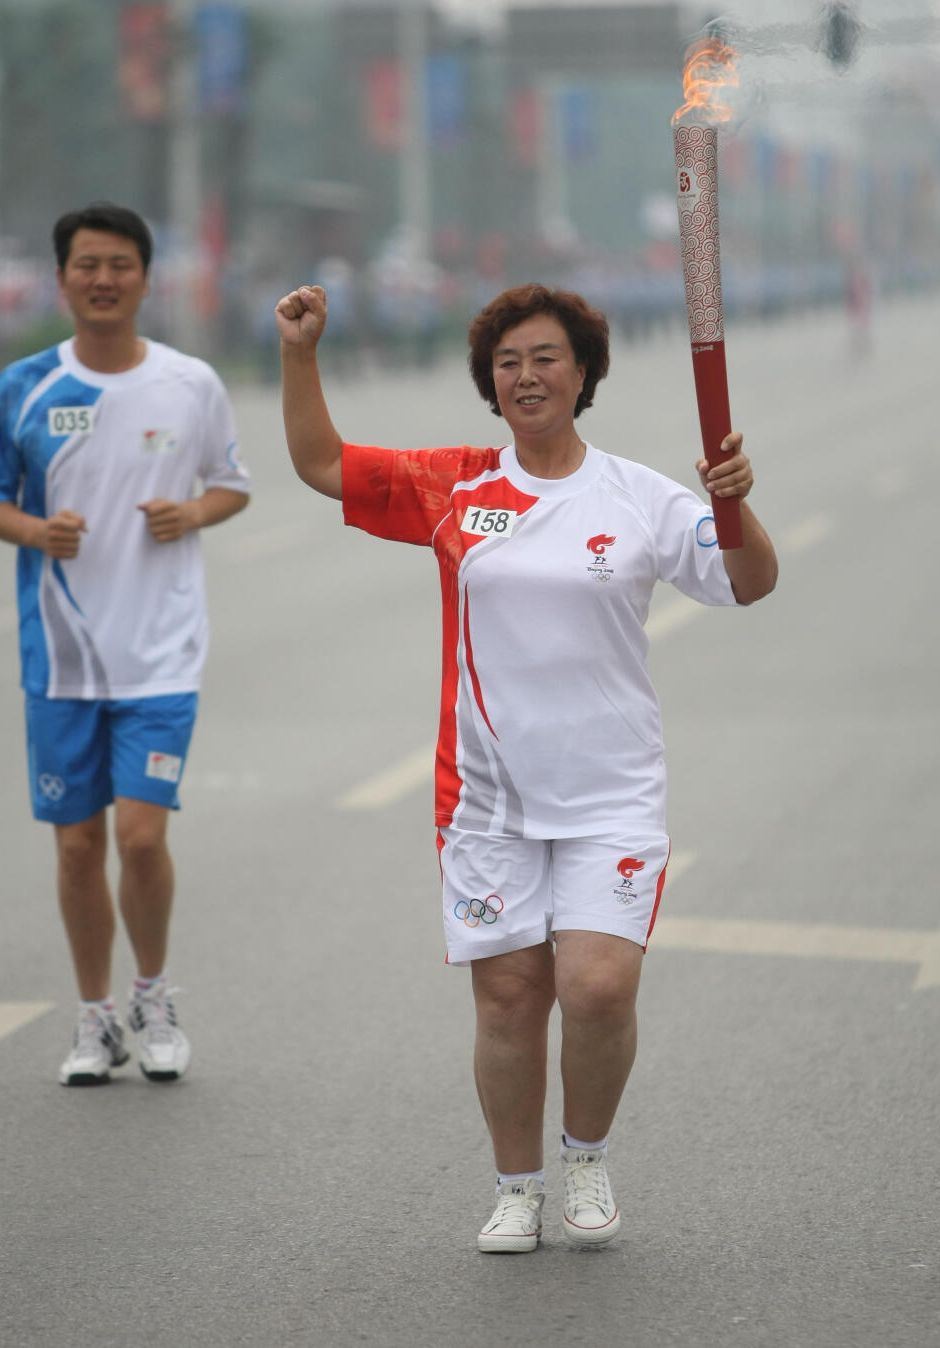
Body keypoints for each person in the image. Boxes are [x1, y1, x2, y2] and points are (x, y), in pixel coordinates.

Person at [276, 280, 777, 1252]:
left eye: (545, 357)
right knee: (507, 996)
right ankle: (517, 1187)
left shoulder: (638, 496)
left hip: (610, 793)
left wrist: (736, 507)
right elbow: (322, 463)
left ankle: (584, 1155)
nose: (525, 376)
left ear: (582, 371)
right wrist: (300, 353)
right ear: (488, 384)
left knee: (595, 988)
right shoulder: (455, 485)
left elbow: (748, 583)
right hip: (488, 798)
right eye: (506, 363)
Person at [0, 202, 251, 1087]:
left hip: (162, 652)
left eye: (119, 264)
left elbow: (232, 485)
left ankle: (153, 994)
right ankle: (94, 1017)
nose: (102, 279)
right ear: (61, 279)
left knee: (137, 839)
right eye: (87, 265)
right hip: (60, 656)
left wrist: (192, 511)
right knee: (76, 846)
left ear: (144, 276)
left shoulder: (189, 382)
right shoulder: (23, 387)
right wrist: (34, 531)